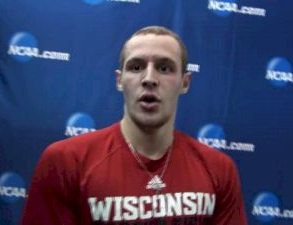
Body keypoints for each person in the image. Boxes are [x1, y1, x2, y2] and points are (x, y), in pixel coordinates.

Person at [21, 26, 248, 225]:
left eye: (165, 68)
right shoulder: (65, 161)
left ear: (185, 83)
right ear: (120, 80)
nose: (149, 78)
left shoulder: (218, 169)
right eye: (136, 67)